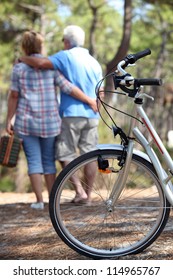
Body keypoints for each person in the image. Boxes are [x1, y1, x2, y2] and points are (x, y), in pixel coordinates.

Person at [6, 30, 98, 209]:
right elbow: (68, 87)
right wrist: (89, 100)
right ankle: (52, 200)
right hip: (50, 123)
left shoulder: (18, 68)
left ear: (24, 46)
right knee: (49, 161)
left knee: (34, 161)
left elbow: (14, 96)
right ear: (40, 46)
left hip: (26, 122)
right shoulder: (51, 68)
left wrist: (9, 120)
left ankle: (39, 201)